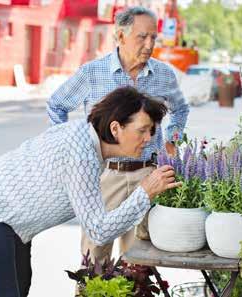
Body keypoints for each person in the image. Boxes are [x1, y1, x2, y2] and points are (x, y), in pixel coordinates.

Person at [0, 86, 181, 297]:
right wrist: (144, 192)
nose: (149, 138)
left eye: (151, 130)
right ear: (115, 128)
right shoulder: (81, 155)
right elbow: (98, 231)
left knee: (18, 288)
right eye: (142, 130)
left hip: (9, 223)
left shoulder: (88, 139)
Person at [47, 6, 189, 263]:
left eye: (153, 38)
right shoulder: (92, 73)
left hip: (148, 174)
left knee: (140, 263)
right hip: (103, 175)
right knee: (94, 261)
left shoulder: (165, 75)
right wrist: (68, 150)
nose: (149, 44)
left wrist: (171, 138)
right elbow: (56, 105)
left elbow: (180, 110)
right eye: (141, 37)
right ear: (121, 37)